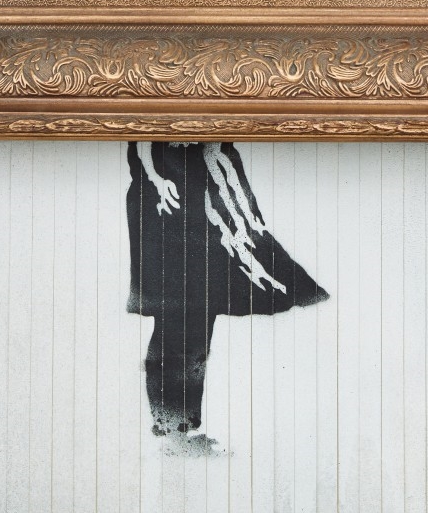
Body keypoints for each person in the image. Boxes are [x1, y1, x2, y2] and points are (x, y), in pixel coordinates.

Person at [127, 140, 327, 452]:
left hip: (203, 198)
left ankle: (179, 427)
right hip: (167, 201)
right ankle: (171, 428)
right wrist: (156, 178)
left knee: (198, 315)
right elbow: (139, 133)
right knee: (177, 316)